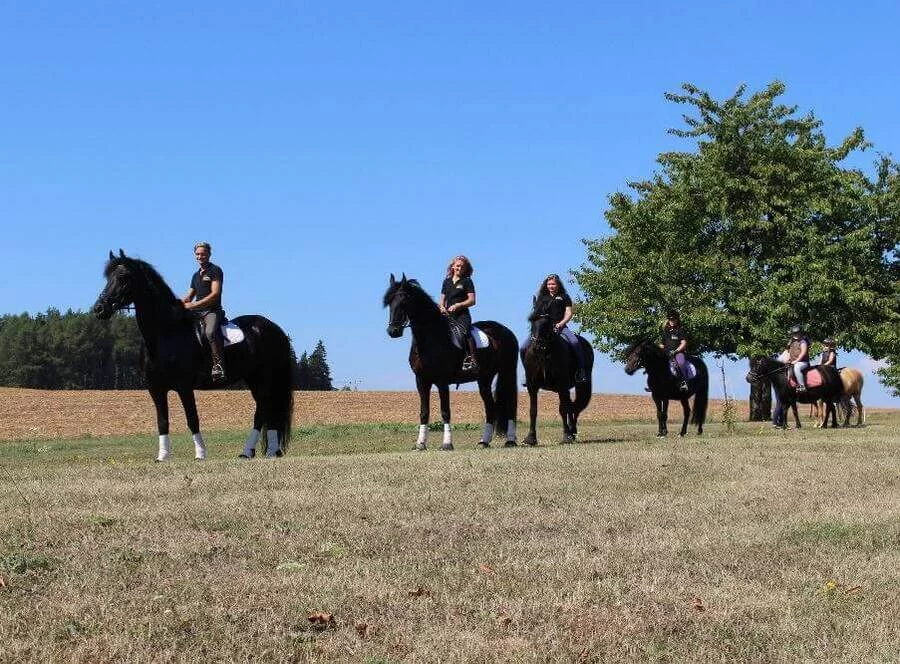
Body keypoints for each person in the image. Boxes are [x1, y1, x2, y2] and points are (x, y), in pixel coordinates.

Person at [526, 274, 587, 382]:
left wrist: (561, 323)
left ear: (558, 285)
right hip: (543, 330)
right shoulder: (542, 297)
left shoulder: (564, 297)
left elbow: (568, 313)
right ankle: (529, 375)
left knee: (575, 342)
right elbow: (537, 314)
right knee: (524, 347)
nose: (551, 286)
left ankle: (581, 371)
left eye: (553, 284)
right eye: (549, 284)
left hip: (560, 327)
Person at [183, 242, 226, 381]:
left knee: (210, 332)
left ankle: (218, 366)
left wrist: (194, 305)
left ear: (209, 254)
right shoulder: (195, 275)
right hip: (196, 312)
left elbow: (215, 294)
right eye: (197, 254)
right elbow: (189, 296)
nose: (200, 256)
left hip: (212, 311)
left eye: (203, 253)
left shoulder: (215, 270)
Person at [439, 255, 478, 372]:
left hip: (462, 315)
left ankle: (472, 359)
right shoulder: (446, 282)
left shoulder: (467, 281)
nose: (459, 268)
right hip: (448, 315)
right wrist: (442, 307)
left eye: (462, 266)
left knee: (465, 331)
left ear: (465, 269)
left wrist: (457, 305)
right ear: (452, 267)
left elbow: (472, 300)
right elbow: (442, 301)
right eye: (457, 266)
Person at [660, 310, 689, 392]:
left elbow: (684, 343)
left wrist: (676, 351)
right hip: (667, 353)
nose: (672, 321)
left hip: (678, 353)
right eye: (670, 319)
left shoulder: (680, 330)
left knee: (681, 364)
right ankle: (654, 385)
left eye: (673, 320)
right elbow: (662, 344)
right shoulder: (666, 331)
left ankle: (683, 385)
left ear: (677, 320)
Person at [786, 324, 810, 391]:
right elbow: (789, 353)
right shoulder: (792, 343)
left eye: (797, 333)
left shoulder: (803, 341)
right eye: (794, 333)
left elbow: (803, 352)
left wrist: (796, 361)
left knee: (797, 367)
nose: (795, 335)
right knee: (786, 369)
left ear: (801, 333)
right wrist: (789, 360)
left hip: (803, 362)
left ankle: (802, 386)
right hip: (793, 362)